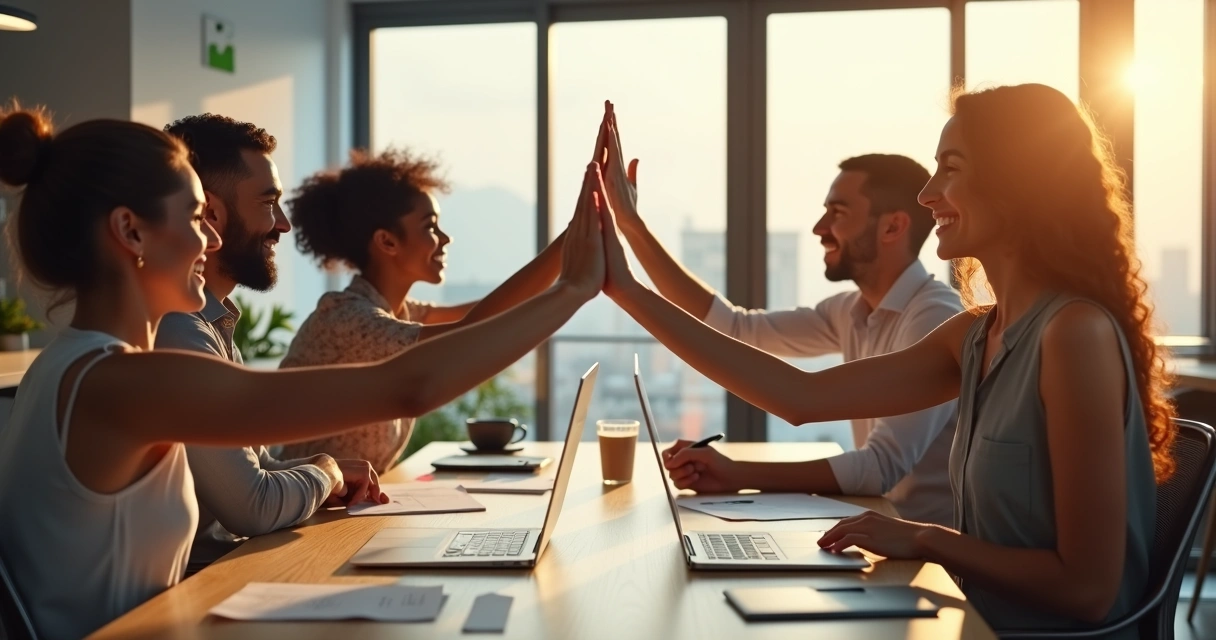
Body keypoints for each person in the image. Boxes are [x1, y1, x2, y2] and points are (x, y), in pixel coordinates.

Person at [0, 105, 606, 640]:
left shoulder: (85, 365)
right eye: (193, 217)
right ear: (130, 231)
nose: (208, 238)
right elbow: (405, 384)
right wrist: (574, 287)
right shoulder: (125, 383)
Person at [593, 85, 1173, 635]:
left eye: (951, 169)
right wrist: (625, 288)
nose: (927, 195)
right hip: (970, 617)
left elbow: (1089, 591)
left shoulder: (1074, 335)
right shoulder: (974, 334)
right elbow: (798, 398)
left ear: (1016, 183)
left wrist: (925, 539)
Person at [601, 106, 959, 525]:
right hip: (878, 534)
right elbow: (733, 327)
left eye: (838, 213)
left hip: (929, 562)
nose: (819, 227)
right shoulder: (850, 311)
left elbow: (879, 467)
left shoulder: (934, 316)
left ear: (893, 228)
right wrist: (630, 223)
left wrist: (736, 474)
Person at [154, 114, 382, 571]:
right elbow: (251, 506)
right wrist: (326, 472)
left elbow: (251, 466)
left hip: (224, 572)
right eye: (269, 203)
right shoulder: (178, 332)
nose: (283, 225)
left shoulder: (212, 326)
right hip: (195, 589)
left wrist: (325, 468)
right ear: (211, 213)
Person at [276, 148, 572, 471]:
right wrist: (572, 242)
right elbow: (470, 334)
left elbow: (493, 313)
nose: (445, 238)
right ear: (387, 242)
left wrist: (579, 234)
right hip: (305, 511)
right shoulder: (349, 320)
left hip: (347, 507)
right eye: (430, 226)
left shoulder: (398, 312)